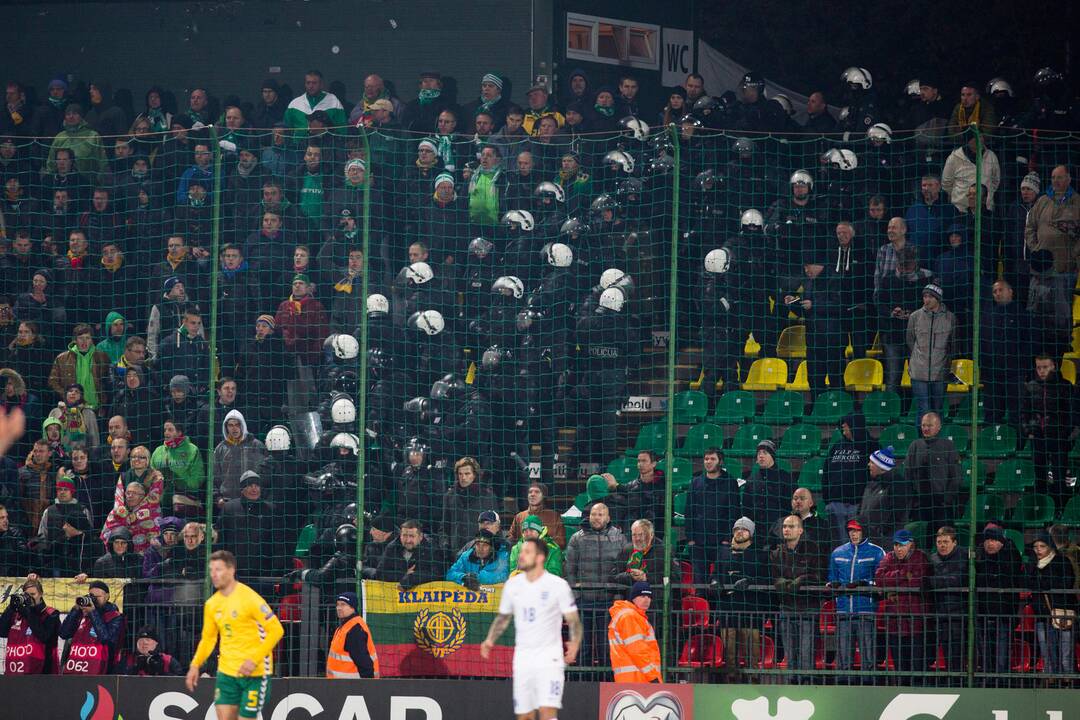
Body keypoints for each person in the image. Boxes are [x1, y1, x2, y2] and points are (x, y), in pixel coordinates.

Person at [481, 537, 582, 720]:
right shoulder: (512, 585)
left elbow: (573, 620)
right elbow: (503, 618)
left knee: (547, 711)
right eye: (521, 551)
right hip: (523, 657)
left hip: (549, 657)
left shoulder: (557, 585)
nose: (521, 555)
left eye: (527, 552)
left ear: (540, 557)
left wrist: (574, 643)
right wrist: (489, 639)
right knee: (524, 715)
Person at [186, 550, 285, 720]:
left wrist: (254, 659)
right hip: (226, 672)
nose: (214, 575)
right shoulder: (212, 604)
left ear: (231, 570)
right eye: (211, 570)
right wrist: (195, 665)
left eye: (218, 570)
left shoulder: (250, 598)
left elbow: (276, 630)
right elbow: (208, 639)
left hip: (254, 674)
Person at [564, 502, 629, 668]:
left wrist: (618, 596)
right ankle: (584, 681)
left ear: (608, 518)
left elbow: (624, 569)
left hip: (608, 601)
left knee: (605, 646)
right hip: (584, 601)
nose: (597, 517)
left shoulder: (619, 538)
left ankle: (606, 680)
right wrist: (576, 596)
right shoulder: (577, 538)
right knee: (583, 646)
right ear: (589, 516)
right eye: (594, 514)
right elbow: (570, 569)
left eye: (601, 514)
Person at [1023, 166, 1079, 355]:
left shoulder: (1077, 202)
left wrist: (1074, 255)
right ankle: (1040, 354)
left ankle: (1062, 349)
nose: (1056, 181)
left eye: (1060, 177)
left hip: (1065, 269)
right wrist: (1035, 248)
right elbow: (1030, 227)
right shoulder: (1042, 201)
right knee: (1037, 313)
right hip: (1040, 271)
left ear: (1068, 179)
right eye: (1053, 177)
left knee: (1062, 315)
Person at [827, 518, 885, 682]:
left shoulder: (877, 552)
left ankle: (868, 686)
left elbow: (882, 581)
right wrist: (834, 585)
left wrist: (865, 584)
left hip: (866, 611)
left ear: (864, 531)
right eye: (851, 530)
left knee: (868, 656)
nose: (853, 534)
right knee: (843, 656)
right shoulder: (838, 552)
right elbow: (831, 578)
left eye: (857, 530)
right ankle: (844, 687)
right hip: (843, 612)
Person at [711, 516, 770, 678]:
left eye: (744, 529)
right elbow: (716, 574)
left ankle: (754, 680)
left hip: (750, 608)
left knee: (752, 650)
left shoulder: (760, 554)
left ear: (751, 533)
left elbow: (767, 579)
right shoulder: (723, 552)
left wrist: (750, 582)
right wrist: (715, 582)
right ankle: (731, 682)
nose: (739, 532)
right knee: (729, 651)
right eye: (737, 529)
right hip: (727, 608)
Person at [770, 514, 820, 683]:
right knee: (790, 653)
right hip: (787, 608)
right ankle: (792, 685)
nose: (786, 529)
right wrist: (792, 583)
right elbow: (775, 578)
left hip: (807, 609)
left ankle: (807, 685)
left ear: (800, 530)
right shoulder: (776, 553)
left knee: (807, 653)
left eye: (791, 526)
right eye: (784, 526)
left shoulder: (813, 549)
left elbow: (816, 576)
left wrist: (799, 580)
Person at [1021, 355, 1078, 503]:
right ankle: (1041, 507)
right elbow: (1024, 412)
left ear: (1053, 366)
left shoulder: (1064, 386)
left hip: (1058, 438)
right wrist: (1029, 431)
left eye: (1045, 367)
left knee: (1059, 477)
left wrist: (1066, 434)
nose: (1041, 371)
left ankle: (1059, 508)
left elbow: (1072, 413)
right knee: (1039, 476)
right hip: (1038, 437)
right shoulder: (1031, 386)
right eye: (1038, 367)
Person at [874, 529, 930, 679]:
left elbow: (917, 581)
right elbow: (879, 579)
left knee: (917, 668)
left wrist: (893, 585)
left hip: (915, 623)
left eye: (902, 545)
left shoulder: (920, 557)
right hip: (895, 622)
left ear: (911, 544)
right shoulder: (889, 557)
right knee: (900, 668)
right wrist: (903, 574)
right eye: (896, 545)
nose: (898, 549)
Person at [685, 447, 742, 583]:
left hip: (721, 541)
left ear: (720, 461)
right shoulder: (696, 482)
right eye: (706, 459)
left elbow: (733, 512)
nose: (708, 462)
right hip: (699, 541)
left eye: (712, 459)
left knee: (719, 582)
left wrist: (727, 538)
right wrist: (691, 539)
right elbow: (689, 511)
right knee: (699, 581)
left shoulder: (730, 483)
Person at [1030, 529, 1078, 679]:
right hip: (1042, 614)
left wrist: (1044, 584)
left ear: (1050, 546)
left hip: (1061, 612)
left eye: (1042, 546)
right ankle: (1051, 678)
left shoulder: (1062, 561)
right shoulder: (1032, 565)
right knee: (1046, 650)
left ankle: (1067, 679)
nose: (1038, 549)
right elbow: (1027, 583)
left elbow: (1066, 583)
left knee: (1065, 651)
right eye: (1036, 546)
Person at [904, 411, 963, 528]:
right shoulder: (915, 445)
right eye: (923, 425)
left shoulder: (948, 446)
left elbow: (956, 477)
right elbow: (907, 475)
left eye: (929, 425)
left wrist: (946, 500)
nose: (925, 428)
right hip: (920, 503)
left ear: (938, 427)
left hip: (942, 504)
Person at [906, 283, 954, 425]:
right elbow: (910, 341)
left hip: (939, 373)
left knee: (937, 410)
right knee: (924, 409)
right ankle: (921, 442)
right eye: (924, 296)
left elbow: (953, 345)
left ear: (938, 299)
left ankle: (937, 443)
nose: (926, 300)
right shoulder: (915, 317)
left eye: (930, 297)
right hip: (918, 372)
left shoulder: (950, 318)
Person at [821, 414, 872, 543]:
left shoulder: (870, 445)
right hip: (836, 503)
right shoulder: (837, 446)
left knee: (857, 542)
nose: (843, 430)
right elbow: (826, 472)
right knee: (837, 544)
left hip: (857, 505)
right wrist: (828, 500)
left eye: (846, 427)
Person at [58, 580, 125, 674]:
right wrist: (76, 609)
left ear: (107, 596)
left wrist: (93, 612)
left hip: (99, 671)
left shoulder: (115, 616)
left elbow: (106, 639)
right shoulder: (82, 613)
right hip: (74, 669)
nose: (94, 599)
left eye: (97, 597)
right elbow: (63, 634)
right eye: (92, 596)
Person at [927, 526, 967, 680]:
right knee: (941, 651)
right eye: (939, 542)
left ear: (954, 542)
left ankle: (959, 682)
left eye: (945, 542)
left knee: (957, 653)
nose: (942, 545)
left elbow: (958, 580)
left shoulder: (963, 557)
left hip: (958, 614)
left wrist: (933, 582)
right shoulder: (933, 558)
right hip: (939, 613)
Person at [0, 577, 60, 674]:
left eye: (33, 594)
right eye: (27, 595)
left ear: (41, 594)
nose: (30, 598)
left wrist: (28, 612)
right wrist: (11, 607)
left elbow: (44, 636)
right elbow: (2, 631)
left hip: (42, 674)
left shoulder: (51, 614)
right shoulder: (17, 614)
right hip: (14, 673)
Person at [607, 581, 662, 683]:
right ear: (633, 598)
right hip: (638, 679)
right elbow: (637, 650)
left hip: (633, 678)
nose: (646, 600)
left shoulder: (631, 616)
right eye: (642, 596)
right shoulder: (630, 617)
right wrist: (653, 677)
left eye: (649, 597)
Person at [370, 519, 444, 588]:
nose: (408, 540)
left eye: (412, 536)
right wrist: (404, 574)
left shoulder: (431, 547)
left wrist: (411, 578)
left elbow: (437, 573)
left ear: (420, 537)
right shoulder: (392, 547)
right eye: (404, 536)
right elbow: (380, 573)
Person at [326, 591, 379, 679]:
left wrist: (368, 687)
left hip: (352, 686)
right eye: (338, 605)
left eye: (343, 605)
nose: (339, 608)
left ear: (353, 607)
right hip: (343, 685)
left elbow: (364, 663)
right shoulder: (346, 626)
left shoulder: (354, 629)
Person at [507, 482, 566, 549]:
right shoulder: (519, 516)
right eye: (530, 492)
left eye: (537, 492)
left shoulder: (554, 516)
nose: (532, 494)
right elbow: (510, 538)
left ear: (544, 496)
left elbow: (561, 543)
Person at [119, 625, 184, 676]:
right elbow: (116, 680)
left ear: (156, 643)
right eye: (141, 640)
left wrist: (160, 672)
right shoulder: (127, 660)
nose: (144, 643)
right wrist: (134, 670)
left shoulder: (168, 661)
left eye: (148, 640)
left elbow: (180, 682)